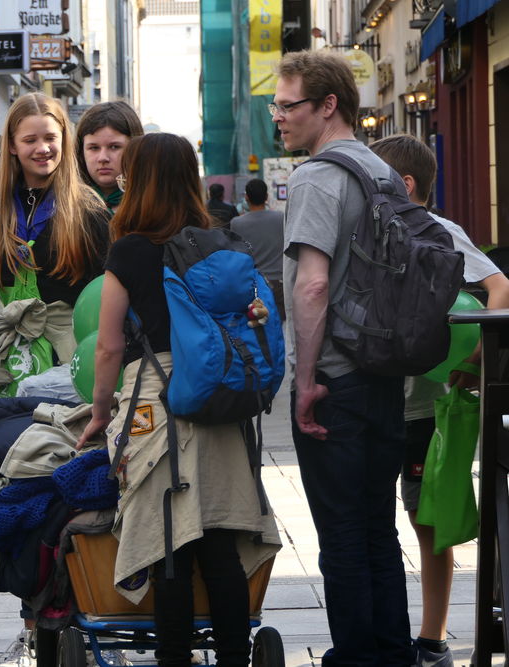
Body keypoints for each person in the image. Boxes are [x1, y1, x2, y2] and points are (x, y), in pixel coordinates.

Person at [75, 133, 279, 666]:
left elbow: (108, 345)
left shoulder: (130, 250)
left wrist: (101, 411)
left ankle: (174, 659)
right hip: (219, 396)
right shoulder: (220, 240)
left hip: (158, 397)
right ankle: (234, 657)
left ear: (138, 181)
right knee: (220, 544)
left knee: (169, 546)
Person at [274, 50, 416, 664]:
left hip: (335, 378)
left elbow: (312, 286)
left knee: (341, 534)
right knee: (379, 527)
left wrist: (305, 381)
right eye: (275, 106)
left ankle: (356, 656)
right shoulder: (381, 170)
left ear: (328, 105)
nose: (279, 117)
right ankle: (394, 652)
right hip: (383, 372)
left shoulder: (315, 176)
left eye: (289, 105)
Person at [369, 133, 509, 667]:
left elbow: (500, 287)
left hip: (423, 406)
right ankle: (393, 634)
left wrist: (474, 363)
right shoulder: (374, 231)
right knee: (378, 521)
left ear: (405, 186)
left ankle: (431, 640)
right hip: (381, 396)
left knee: (426, 521)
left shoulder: (440, 231)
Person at [0, 92, 111, 401]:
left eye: (50, 138)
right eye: (30, 140)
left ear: (64, 140)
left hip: (68, 363)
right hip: (4, 362)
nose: (42, 148)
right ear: (12, 146)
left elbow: (105, 295)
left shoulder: (88, 210)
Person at [75, 101, 144, 214]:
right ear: (81, 152)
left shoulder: (153, 203)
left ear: (135, 149)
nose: (103, 158)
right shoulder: (64, 205)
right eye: (94, 148)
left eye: (114, 147)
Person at [230, 178, 285, 316]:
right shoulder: (281, 218)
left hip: (252, 284)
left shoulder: (236, 223)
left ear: (246, 197)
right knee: (281, 322)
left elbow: (236, 255)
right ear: (266, 197)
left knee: (257, 323)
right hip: (280, 282)